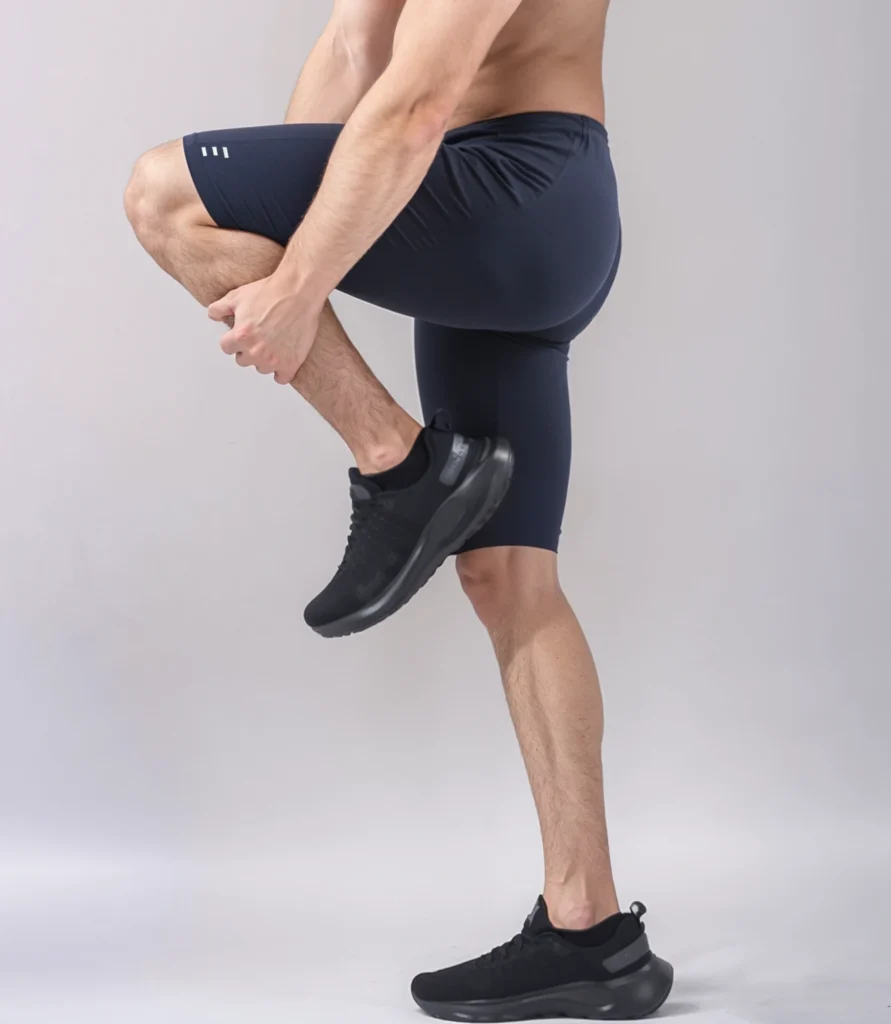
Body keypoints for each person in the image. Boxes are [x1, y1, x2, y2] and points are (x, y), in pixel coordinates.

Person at [124, 0, 673, 1017]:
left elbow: (420, 101)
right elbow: (356, 46)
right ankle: (592, 934)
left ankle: (401, 464)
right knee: (508, 577)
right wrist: (274, 237)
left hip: (518, 195)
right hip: (499, 209)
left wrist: (299, 284)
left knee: (164, 193)